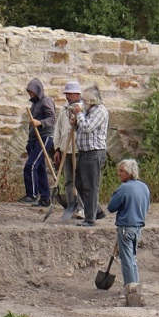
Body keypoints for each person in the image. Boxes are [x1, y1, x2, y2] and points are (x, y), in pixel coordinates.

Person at [107, 158, 150, 295]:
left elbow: (111, 207)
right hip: (138, 227)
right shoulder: (144, 187)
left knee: (126, 259)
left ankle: (130, 290)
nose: (118, 174)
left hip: (126, 227)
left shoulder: (124, 188)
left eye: (121, 171)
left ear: (130, 173)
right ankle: (135, 286)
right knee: (132, 258)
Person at [72, 85, 109, 228]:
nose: (82, 102)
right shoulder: (88, 111)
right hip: (84, 152)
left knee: (90, 186)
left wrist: (79, 114)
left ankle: (90, 218)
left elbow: (87, 128)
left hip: (94, 153)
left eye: (84, 100)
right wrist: (76, 123)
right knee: (79, 183)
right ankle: (96, 211)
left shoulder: (100, 111)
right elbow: (81, 127)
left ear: (92, 101)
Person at [18, 78, 56, 207]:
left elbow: (52, 118)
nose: (30, 94)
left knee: (31, 165)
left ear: (37, 91)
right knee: (39, 169)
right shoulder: (34, 104)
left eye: (32, 92)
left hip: (44, 137)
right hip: (34, 139)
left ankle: (32, 194)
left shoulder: (46, 101)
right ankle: (45, 198)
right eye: (29, 92)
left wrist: (40, 122)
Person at [52, 79, 84, 217]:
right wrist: (57, 149)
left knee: (80, 180)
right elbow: (58, 130)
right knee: (68, 180)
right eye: (66, 94)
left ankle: (82, 208)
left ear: (77, 94)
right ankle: (71, 206)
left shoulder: (84, 109)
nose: (67, 96)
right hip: (66, 149)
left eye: (69, 94)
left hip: (78, 150)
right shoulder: (64, 109)